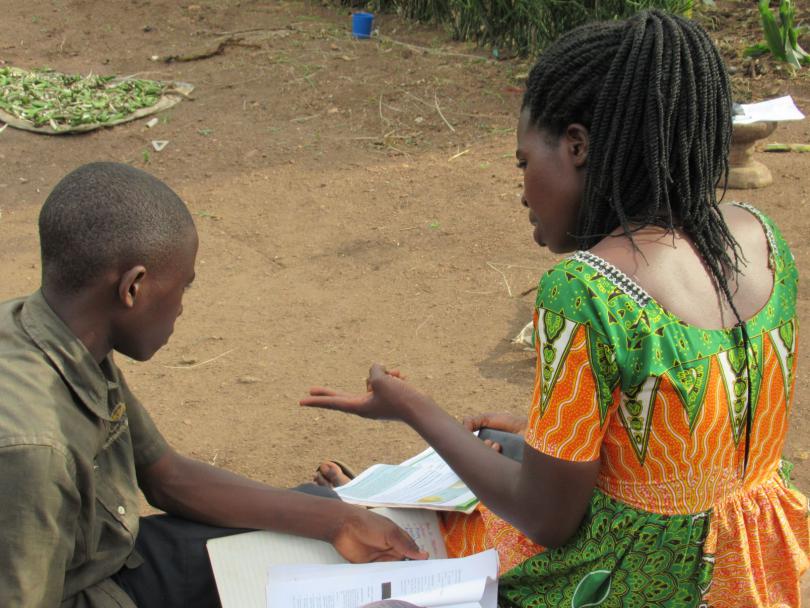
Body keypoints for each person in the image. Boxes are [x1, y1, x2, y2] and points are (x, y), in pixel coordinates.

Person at [301, 10, 810, 607]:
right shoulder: (760, 236)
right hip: (745, 575)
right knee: (501, 450)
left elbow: (548, 519)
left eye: (523, 162)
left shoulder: (586, 289)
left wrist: (414, 408)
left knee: (420, 543)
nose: (521, 190)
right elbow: (702, 435)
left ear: (576, 146)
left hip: (640, 582)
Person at [0, 162, 426, 608]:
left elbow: (167, 475)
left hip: (111, 563)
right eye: (183, 287)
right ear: (133, 288)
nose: (182, 308)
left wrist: (336, 519)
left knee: (306, 516)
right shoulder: (34, 448)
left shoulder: (63, 334)